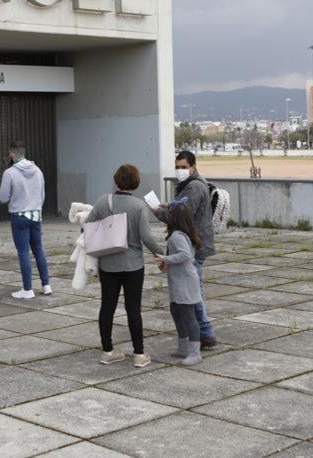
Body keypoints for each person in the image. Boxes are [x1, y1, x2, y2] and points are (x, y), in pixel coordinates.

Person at [87, 164, 164, 369]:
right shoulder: (139, 206)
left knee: (107, 307)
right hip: (133, 265)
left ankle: (107, 351)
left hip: (108, 264)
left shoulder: (103, 201)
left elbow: (87, 226)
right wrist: (162, 255)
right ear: (136, 182)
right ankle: (139, 354)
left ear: (116, 180)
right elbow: (146, 237)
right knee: (133, 309)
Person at [153, 150, 219, 349]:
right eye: (177, 167)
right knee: (195, 291)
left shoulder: (194, 187)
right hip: (193, 244)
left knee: (193, 294)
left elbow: (183, 216)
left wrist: (158, 212)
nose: (180, 170)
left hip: (193, 246)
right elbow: (182, 206)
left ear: (193, 167)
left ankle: (205, 333)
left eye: (184, 167)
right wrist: (169, 205)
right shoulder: (189, 185)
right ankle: (203, 333)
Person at [0, 141, 50, 299]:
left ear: (12, 154)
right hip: (36, 214)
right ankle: (46, 285)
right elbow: (42, 194)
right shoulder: (38, 170)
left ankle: (27, 289)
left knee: (23, 252)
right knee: (38, 249)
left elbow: (3, 197)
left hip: (19, 216)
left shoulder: (9, 173)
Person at [156, 203, 202, 367]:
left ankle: (195, 353)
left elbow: (185, 255)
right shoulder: (182, 234)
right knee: (176, 311)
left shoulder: (177, 236)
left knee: (189, 316)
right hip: (180, 281)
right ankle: (184, 348)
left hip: (185, 282)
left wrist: (165, 259)